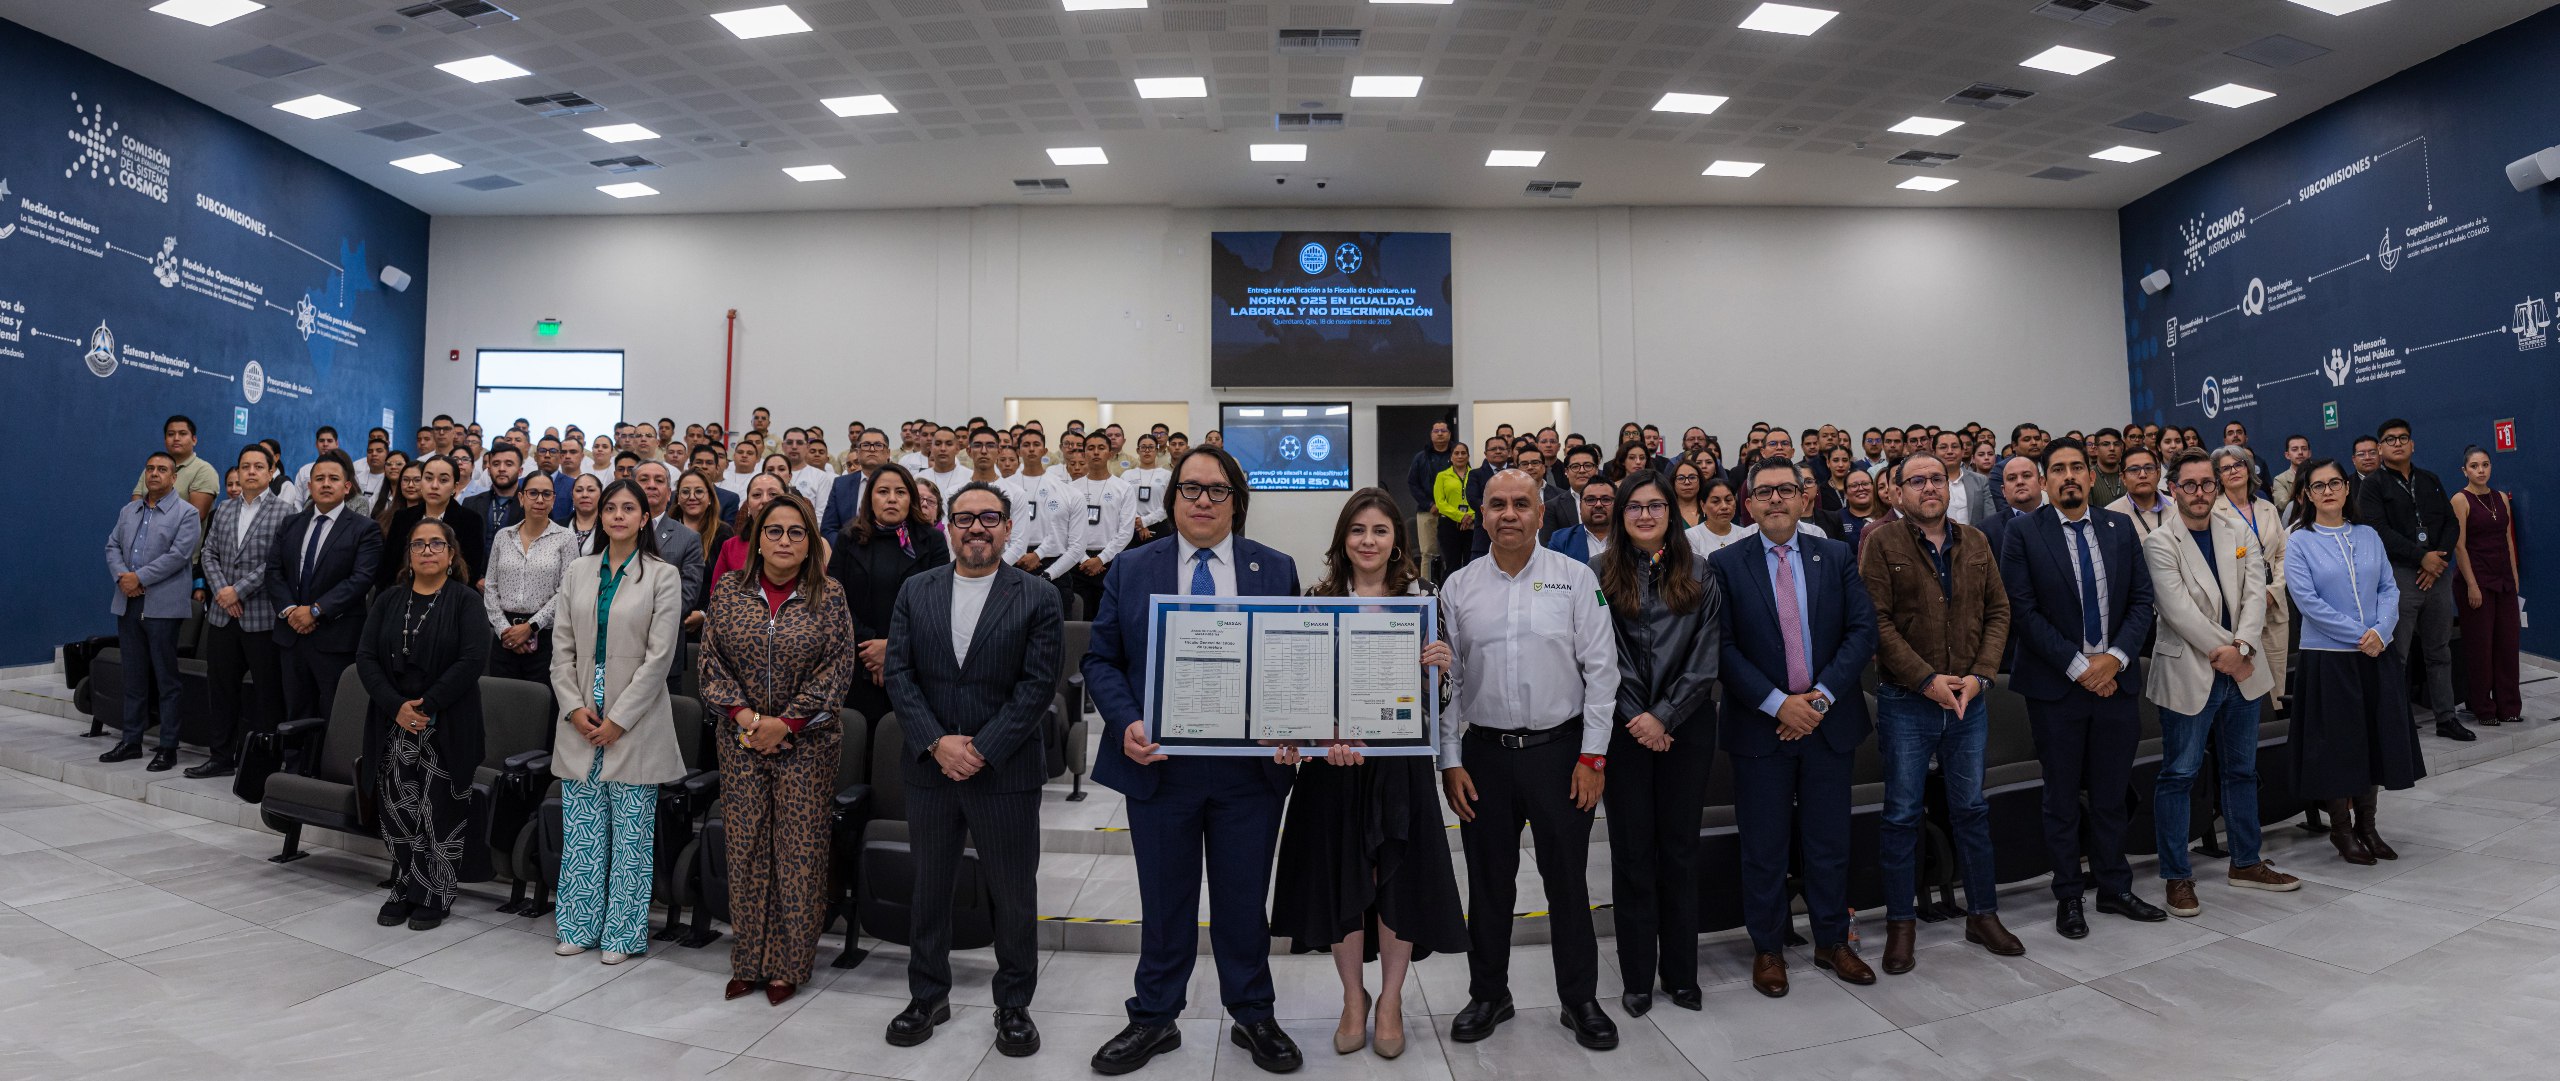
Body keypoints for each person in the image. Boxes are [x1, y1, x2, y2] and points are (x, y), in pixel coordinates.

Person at [1083, 446, 1305, 1076]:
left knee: (1243, 899)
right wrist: (1126, 721)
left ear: (1237, 501)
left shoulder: (1274, 568)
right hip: (1160, 767)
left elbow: (1294, 657)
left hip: (1247, 772)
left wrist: (1295, 723)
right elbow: (1100, 659)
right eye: (1190, 489)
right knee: (1164, 900)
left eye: (1217, 490)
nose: (1203, 500)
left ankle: (1253, 1013)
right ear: (1172, 497)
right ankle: (1154, 1017)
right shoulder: (1132, 568)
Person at [1266, 490, 1464, 1059]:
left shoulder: (1423, 599)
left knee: (1396, 878)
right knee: (1343, 880)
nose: (1369, 541)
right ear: (1342, 540)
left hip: (1399, 764)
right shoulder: (1316, 600)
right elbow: (1298, 679)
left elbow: (1441, 699)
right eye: (1358, 530)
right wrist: (1309, 734)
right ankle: (1354, 997)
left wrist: (1440, 669)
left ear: (1396, 540)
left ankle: (1391, 1000)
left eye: (1380, 530)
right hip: (1333, 766)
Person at [1436, 470, 1618, 1048]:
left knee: (1567, 883)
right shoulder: (1458, 587)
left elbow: (1602, 672)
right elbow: (1448, 682)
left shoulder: (1575, 578)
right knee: (1490, 884)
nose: (1509, 514)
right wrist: (1449, 760)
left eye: (1521, 504)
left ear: (1542, 513)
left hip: (1561, 756)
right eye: (1497, 504)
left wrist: (1593, 757)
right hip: (1484, 758)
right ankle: (1489, 994)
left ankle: (1579, 998)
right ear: (1482, 515)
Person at [880, 482, 1060, 1056]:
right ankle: (927, 995)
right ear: (948, 527)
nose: (976, 527)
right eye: (964, 518)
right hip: (931, 769)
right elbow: (899, 674)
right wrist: (937, 743)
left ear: (1007, 527)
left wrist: (980, 749)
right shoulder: (917, 589)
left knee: (1013, 893)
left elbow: (1038, 686)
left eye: (989, 517)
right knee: (930, 888)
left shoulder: (1038, 596)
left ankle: (1014, 1004)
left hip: (1005, 770)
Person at [1711, 457, 1879, 998]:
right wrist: (1779, 705)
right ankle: (1768, 947)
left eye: (1786, 489)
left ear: (1805, 498)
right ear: (1749, 503)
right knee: (1764, 847)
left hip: (1828, 724)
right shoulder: (1725, 563)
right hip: (1761, 729)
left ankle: (1832, 940)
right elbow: (1722, 647)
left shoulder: (1836, 555)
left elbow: (1862, 631)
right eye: (1765, 492)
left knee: (1829, 841)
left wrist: (1819, 700)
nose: (1776, 499)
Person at [1860, 451, 2024, 973]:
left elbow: (1999, 611)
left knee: (1971, 810)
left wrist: (1981, 676)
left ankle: (1982, 915)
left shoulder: (1974, 541)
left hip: (1968, 701)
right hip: (1907, 701)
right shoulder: (1881, 542)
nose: (1929, 487)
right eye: (1917, 480)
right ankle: (1901, 926)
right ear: (1897, 492)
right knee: (1902, 815)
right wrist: (1926, 680)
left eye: (1936, 478)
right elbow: (1875, 622)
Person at [1997, 439, 2166, 939]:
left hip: (2116, 681)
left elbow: (2142, 599)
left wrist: (2114, 660)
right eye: (2058, 469)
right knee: (2062, 798)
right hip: (2056, 687)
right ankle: (2069, 894)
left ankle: (2114, 887)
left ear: (2092, 477)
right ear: (2044, 481)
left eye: (2077, 467)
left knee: (2113, 794)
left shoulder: (2119, 527)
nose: (2068, 476)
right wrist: (2080, 667)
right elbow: (2022, 610)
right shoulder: (2022, 533)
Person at [699, 492, 858, 1006]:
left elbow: (837, 668)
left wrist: (786, 724)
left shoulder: (829, 595)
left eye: (795, 532)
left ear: (810, 542)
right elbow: (711, 663)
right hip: (740, 741)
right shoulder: (729, 590)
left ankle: (789, 966)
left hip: (807, 745)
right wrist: (749, 720)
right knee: (745, 848)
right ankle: (749, 960)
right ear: (757, 540)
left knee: (798, 854)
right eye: (774, 531)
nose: (784, 540)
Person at [2143, 450, 2302, 919]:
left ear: (2218, 487)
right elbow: (2178, 612)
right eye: (2189, 484)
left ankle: (2246, 862)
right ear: (2172, 488)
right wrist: (2231, 655)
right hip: (2191, 672)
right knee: (2179, 775)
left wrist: (2244, 648)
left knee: (2242, 771)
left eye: (2207, 484)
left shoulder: (2238, 531)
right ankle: (2177, 876)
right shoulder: (2158, 542)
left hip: (2243, 670)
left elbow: (2256, 594)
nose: (2199, 493)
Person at [1591, 472, 1722, 1016]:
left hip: (1686, 728)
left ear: (1672, 512)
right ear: (1620, 515)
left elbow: (1706, 656)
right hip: (1623, 730)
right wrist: (1638, 717)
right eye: (1634, 507)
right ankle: (1638, 976)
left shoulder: (1701, 572)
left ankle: (1682, 974)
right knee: (1632, 853)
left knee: (1680, 850)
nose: (1645, 515)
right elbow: (1599, 653)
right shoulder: (1596, 574)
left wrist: (1664, 715)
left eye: (1655, 506)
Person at [547, 478, 686, 965]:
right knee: (582, 832)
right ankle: (578, 926)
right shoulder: (578, 571)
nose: (619, 516)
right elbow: (561, 649)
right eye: (611, 508)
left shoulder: (662, 575)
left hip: (636, 716)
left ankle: (623, 935)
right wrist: (573, 707)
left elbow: (660, 658)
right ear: (601, 517)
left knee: (631, 838)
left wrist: (620, 720)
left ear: (645, 518)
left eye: (629, 508)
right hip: (581, 712)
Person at [354, 517, 490, 932]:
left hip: (448, 722)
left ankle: (435, 893)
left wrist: (425, 705)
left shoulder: (466, 601)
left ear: (451, 555)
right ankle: (402, 886)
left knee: (440, 813)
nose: (427, 551)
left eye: (436, 544)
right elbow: (366, 658)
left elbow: (472, 659)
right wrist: (397, 706)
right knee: (398, 812)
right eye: (418, 544)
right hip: (392, 721)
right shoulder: (388, 599)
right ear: (409, 555)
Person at [2286, 459, 2421, 864]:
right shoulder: (2299, 540)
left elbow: (2388, 587)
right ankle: (2341, 831)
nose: (2328, 491)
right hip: (2329, 659)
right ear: (2307, 495)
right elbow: (2308, 602)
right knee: (2338, 746)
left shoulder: (2368, 535)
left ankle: (2368, 827)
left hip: (2375, 652)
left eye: (2335, 483)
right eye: (2319, 486)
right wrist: (2359, 635)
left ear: (2347, 489)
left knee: (2373, 740)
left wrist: (2381, 631)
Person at [2357, 419, 2470, 740]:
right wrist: (2421, 558)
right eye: (2390, 439)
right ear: (2380, 448)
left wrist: (2438, 560)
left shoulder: (2430, 479)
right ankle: (2397, 723)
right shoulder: (2373, 485)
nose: (2397, 443)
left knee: (2440, 651)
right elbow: (2378, 530)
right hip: (2400, 576)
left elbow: (2451, 523)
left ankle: (2446, 718)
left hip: (2437, 574)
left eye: (2403, 438)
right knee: (2398, 655)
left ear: (2412, 444)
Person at [189, 444, 296, 778]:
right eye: (245, 466)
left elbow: (277, 562)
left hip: (261, 619)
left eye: (258, 466)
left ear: (271, 472)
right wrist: (223, 591)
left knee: (266, 695)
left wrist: (238, 590)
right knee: (220, 691)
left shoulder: (285, 511)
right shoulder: (224, 509)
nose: (251, 472)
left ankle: (263, 766)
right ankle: (220, 757)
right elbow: (208, 553)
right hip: (222, 617)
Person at [102, 452, 204, 768]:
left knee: (166, 680)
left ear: (174, 478)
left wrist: (140, 578)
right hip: (128, 603)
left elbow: (179, 555)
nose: (155, 474)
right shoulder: (128, 510)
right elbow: (112, 546)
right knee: (133, 677)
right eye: (150, 469)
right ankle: (131, 740)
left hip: (163, 606)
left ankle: (168, 747)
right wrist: (124, 577)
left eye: (162, 469)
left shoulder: (187, 513)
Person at [827, 463, 950, 726]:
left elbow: (937, 604)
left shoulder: (932, 541)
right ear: (870, 498)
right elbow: (834, 600)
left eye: (900, 492)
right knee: (858, 736)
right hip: (857, 657)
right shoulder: (848, 538)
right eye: (883, 491)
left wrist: (892, 648)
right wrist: (871, 647)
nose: (892, 499)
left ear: (911, 499)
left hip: (914, 659)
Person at [270, 453, 384, 728]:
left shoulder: (365, 529)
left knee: (336, 714)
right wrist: (292, 611)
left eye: (334, 478)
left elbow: (361, 579)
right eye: (319, 479)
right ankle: (297, 758)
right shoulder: (290, 523)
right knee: (295, 714)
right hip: (292, 635)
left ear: (347, 487)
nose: (326, 484)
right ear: (309, 487)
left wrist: (315, 611)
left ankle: (329, 759)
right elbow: (274, 572)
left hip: (336, 637)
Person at [2212, 446, 2290, 710]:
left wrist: (2273, 591)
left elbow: (2283, 555)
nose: (2233, 471)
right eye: (2226, 468)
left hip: (2274, 605)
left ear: (2248, 468)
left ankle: (2278, 728)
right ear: (2218, 476)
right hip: (2240, 610)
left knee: (2278, 683)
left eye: (2238, 465)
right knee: (2248, 682)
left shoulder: (2267, 508)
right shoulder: (2214, 511)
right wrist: (2255, 596)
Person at [2450, 447, 2522, 725]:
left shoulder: (2500, 498)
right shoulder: (2460, 499)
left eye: (2485, 464)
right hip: (2476, 580)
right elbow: (2459, 546)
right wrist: (2471, 584)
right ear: (2465, 470)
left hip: (2503, 579)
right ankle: (2484, 707)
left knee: (2508, 644)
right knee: (2480, 647)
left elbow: (2508, 540)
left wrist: (2514, 576)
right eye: (2474, 466)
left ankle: (2509, 706)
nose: (2481, 470)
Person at [483, 471, 576, 684]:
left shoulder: (565, 538)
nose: (540, 500)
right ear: (521, 497)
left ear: (554, 499)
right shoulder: (503, 536)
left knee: (541, 700)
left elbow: (567, 590)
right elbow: (491, 587)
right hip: (504, 636)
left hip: (545, 636)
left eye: (546, 494)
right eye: (533, 493)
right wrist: (505, 631)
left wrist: (531, 627)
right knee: (502, 699)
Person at [1043, 432, 1137, 620]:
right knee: (1079, 618)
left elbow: (1126, 531)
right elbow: (1064, 530)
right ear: (1084, 453)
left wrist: (1101, 559)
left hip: (1110, 562)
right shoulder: (1071, 489)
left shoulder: (1124, 488)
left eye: (1101, 448)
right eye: (1091, 448)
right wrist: (1084, 559)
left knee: (1109, 618)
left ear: (1110, 453)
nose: (1095, 452)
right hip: (1077, 562)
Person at [382, 457, 487, 597]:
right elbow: (388, 567)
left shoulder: (470, 520)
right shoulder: (402, 518)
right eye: (428, 478)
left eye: (443, 480)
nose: (434, 485)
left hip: (451, 598)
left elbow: (470, 572)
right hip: (404, 595)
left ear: (455, 487)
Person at [635, 462, 707, 614]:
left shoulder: (688, 538)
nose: (651, 485)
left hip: (663, 624)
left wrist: (644, 617)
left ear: (669, 494)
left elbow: (687, 596)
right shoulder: (615, 530)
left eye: (659, 480)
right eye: (644, 479)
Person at [674, 468, 734, 630]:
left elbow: (728, 583)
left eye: (699, 491)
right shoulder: (665, 529)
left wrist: (704, 614)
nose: (692, 497)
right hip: (667, 618)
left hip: (709, 622)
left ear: (710, 498)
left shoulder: (723, 533)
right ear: (677, 498)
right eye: (685, 492)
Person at [134, 415, 219, 523]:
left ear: (194, 440)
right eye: (171, 434)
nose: (176, 438)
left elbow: (194, 517)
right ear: (165, 440)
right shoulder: (152, 468)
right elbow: (134, 510)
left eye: (182, 434)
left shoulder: (204, 470)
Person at [461, 441, 527, 557]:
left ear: (520, 471)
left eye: (509, 464)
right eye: (496, 464)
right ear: (489, 469)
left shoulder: (530, 506)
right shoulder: (470, 503)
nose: (501, 469)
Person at [2104, 444, 2171, 539]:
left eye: (2149, 468)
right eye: (2134, 470)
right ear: (2123, 478)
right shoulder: (2110, 515)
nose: (2143, 475)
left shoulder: (2177, 508)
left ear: (2158, 473)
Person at [1546, 474, 1614, 563]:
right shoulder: (1561, 540)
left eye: (1606, 499)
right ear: (1580, 506)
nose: (1598, 505)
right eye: (1590, 500)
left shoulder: (1629, 537)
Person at [1433, 441, 1475, 579]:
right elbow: (1440, 503)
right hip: (1449, 525)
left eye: (1463, 453)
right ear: (1451, 457)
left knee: (1471, 565)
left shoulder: (1475, 475)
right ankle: (1448, 592)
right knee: (1452, 565)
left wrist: (1470, 516)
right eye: (1456, 453)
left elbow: (1482, 498)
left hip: (1472, 524)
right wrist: (1460, 516)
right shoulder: (1442, 476)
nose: (1460, 456)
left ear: (1468, 456)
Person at [1681, 473, 1751, 555]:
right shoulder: (1691, 537)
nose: (1724, 506)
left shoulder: (1746, 534)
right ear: (1703, 506)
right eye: (1715, 501)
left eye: (1728, 500)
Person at [1124, 433, 1171, 542]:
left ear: (1157, 450)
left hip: (1160, 525)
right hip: (1132, 526)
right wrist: (1139, 523)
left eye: (1151, 447)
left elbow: (1168, 504)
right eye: (1143, 447)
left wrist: (1145, 521)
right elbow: (1124, 504)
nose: (1147, 451)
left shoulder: (1166, 475)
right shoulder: (1127, 475)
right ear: (1138, 450)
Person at [2269, 434, 2314, 508]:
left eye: (2304, 449)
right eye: (2294, 449)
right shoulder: (2280, 480)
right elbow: (2282, 505)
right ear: (2287, 455)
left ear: (2309, 453)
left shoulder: (2320, 473)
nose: (2300, 452)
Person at [565, 472, 604, 551]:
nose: (585, 495)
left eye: (591, 490)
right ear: (572, 496)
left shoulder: (608, 527)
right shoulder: (558, 526)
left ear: (601, 495)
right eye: (579, 490)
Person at [1670, 458, 1710, 530]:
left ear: (1700, 481)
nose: (1687, 482)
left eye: (1692, 477)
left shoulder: (1710, 509)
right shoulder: (1667, 512)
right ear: (1673, 483)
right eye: (1681, 478)